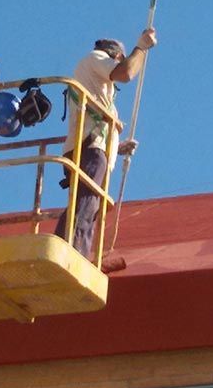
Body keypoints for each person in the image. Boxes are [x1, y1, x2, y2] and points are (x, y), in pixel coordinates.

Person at [54, 28, 158, 258]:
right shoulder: (97, 58)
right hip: (89, 149)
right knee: (86, 204)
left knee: (89, 207)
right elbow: (126, 73)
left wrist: (116, 148)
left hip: (91, 147)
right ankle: (72, 253)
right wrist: (141, 47)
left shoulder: (96, 84)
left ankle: (78, 251)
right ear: (114, 55)